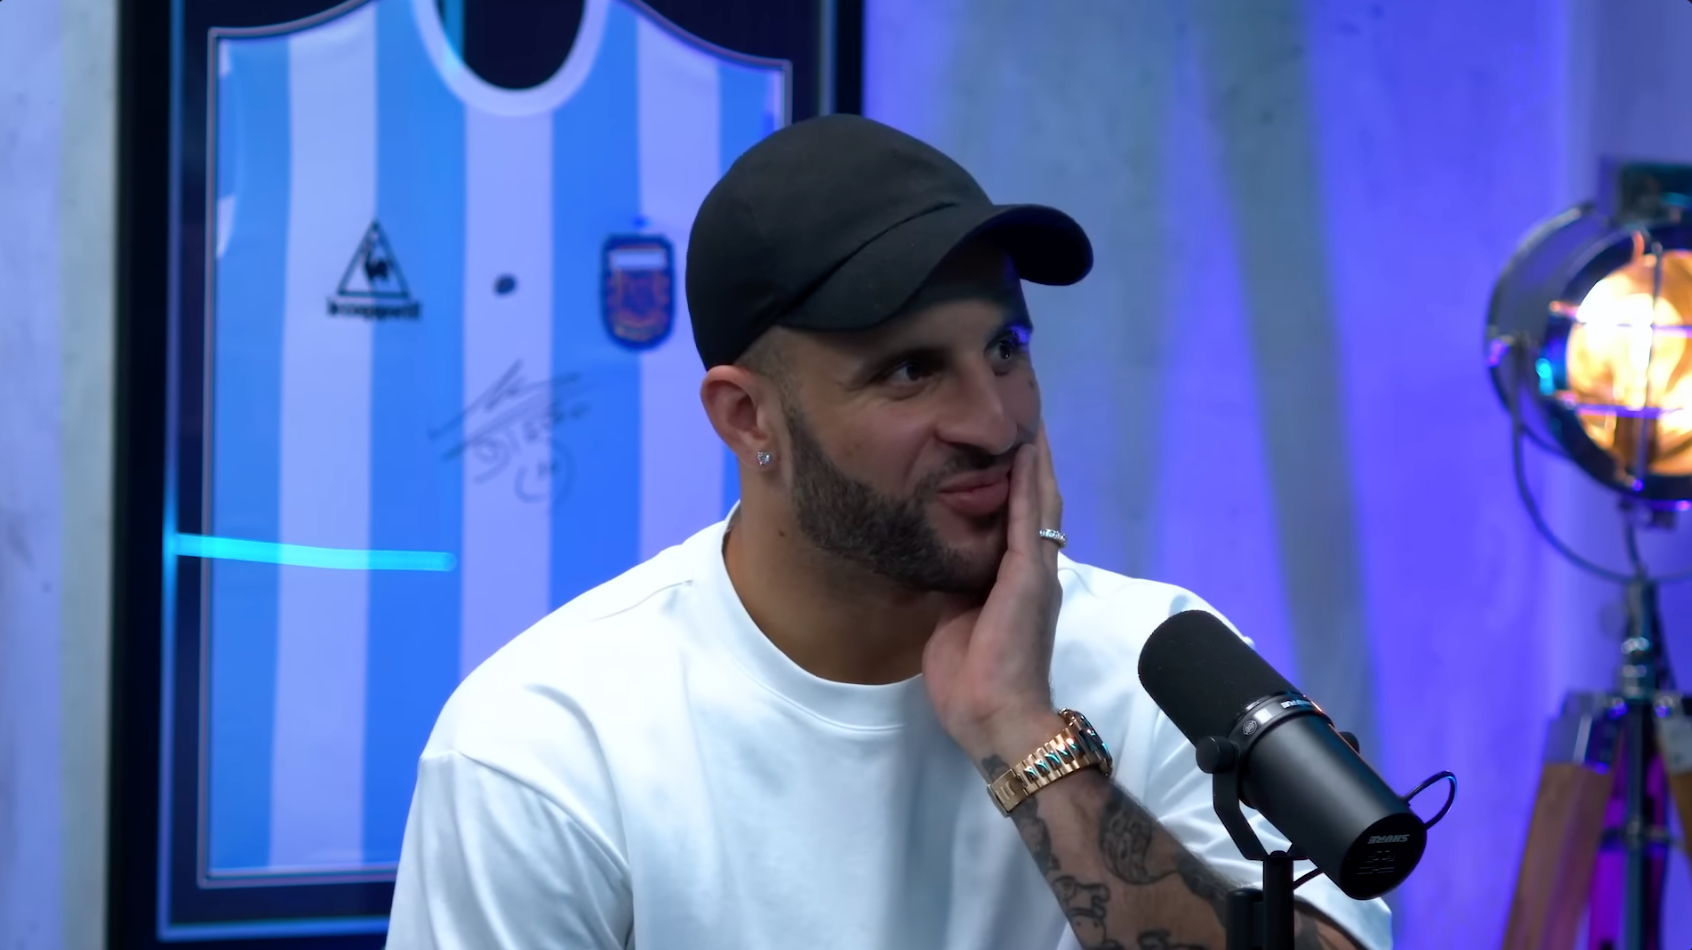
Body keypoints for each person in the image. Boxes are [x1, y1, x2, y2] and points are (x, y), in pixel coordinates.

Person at [386, 114, 1391, 950]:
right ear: (748, 417)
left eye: (1006, 348)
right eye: (911, 371)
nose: (994, 421)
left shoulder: (1164, 662)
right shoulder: (547, 744)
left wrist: (1022, 730)